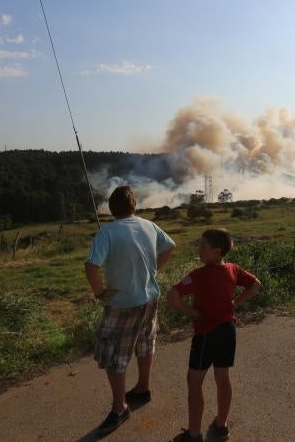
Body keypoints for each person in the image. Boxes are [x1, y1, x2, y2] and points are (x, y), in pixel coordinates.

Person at [84, 185, 176, 435]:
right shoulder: (149, 225)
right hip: (149, 298)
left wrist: (100, 292)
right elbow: (170, 247)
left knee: (114, 354)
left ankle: (119, 408)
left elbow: (91, 267)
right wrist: (154, 271)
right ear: (135, 205)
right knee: (146, 342)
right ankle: (142, 388)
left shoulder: (107, 232)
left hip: (122, 304)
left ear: (111, 208)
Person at [167, 228, 261, 442]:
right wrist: (236, 303)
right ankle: (221, 425)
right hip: (228, 330)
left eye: (203, 247)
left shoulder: (198, 275)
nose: (199, 250)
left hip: (206, 334)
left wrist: (190, 312)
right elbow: (255, 284)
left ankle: (193, 435)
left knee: (194, 381)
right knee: (223, 377)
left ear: (217, 251)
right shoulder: (234, 269)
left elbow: (172, 295)